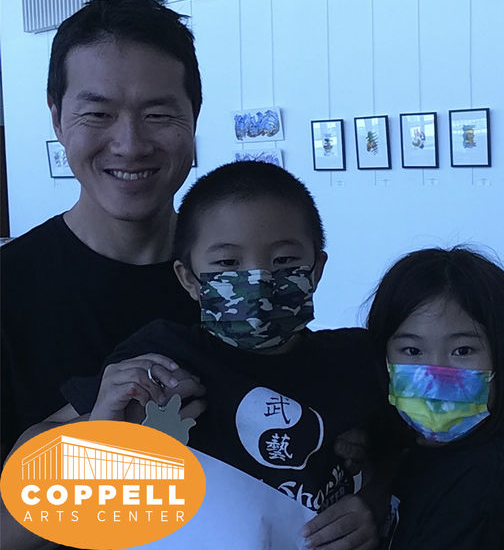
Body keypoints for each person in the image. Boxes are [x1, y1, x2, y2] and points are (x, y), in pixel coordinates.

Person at [64, 160, 384, 549]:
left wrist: (372, 506)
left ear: (316, 269)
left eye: (284, 261)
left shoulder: (355, 359)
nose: (258, 280)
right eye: (228, 263)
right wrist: (102, 431)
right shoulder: (161, 357)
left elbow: (404, 463)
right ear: (189, 279)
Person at [0, 0, 203, 466]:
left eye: (157, 114)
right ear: (57, 119)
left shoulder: (234, 277)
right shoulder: (9, 289)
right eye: (97, 114)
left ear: (194, 115)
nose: (130, 145)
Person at [367, 247, 504, 550]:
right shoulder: (410, 445)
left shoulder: (481, 487)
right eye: (412, 351)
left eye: (462, 351)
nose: (436, 375)